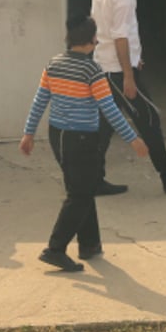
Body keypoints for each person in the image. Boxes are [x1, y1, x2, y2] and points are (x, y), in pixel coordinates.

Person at [20, 15, 149, 272]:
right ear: (92, 41)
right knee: (80, 193)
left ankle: (89, 244)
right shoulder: (91, 71)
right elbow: (109, 109)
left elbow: (40, 101)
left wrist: (29, 133)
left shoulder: (53, 64)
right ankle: (55, 249)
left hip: (59, 136)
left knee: (82, 187)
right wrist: (133, 138)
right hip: (82, 139)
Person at [92, 0, 166, 195]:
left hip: (103, 64)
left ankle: (92, 179)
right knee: (148, 120)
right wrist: (128, 76)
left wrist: (135, 58)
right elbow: (120, 36)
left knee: (104, 126)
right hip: (117, 70)